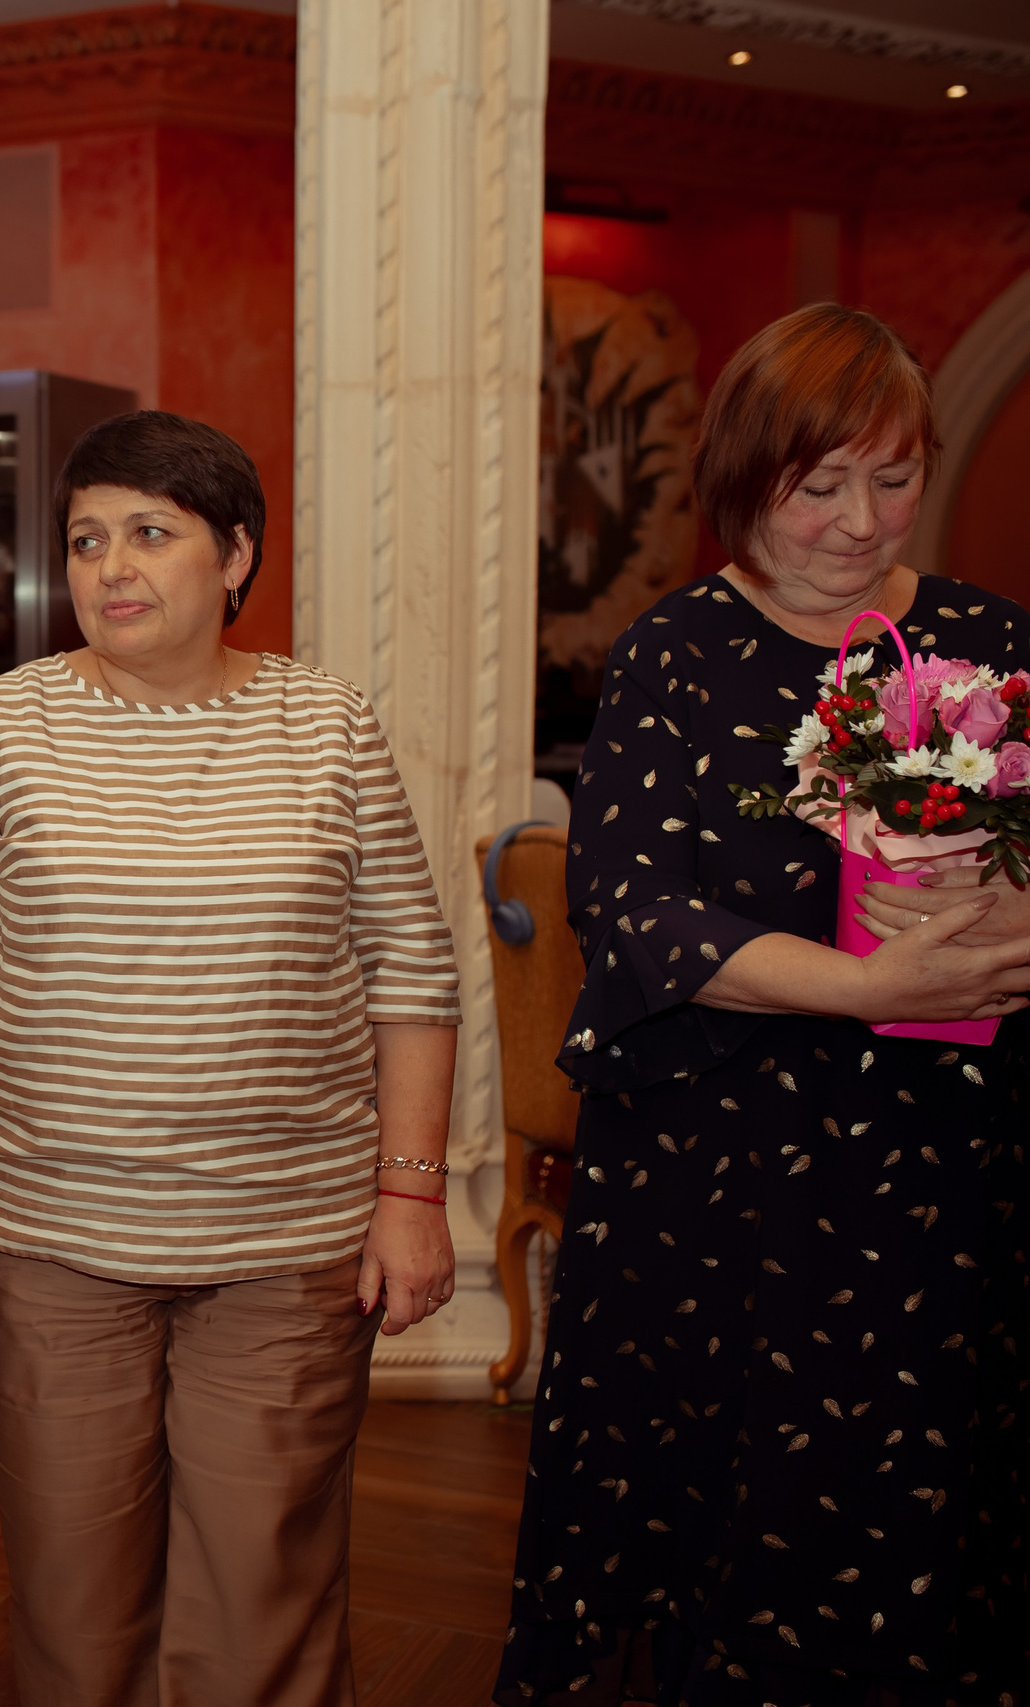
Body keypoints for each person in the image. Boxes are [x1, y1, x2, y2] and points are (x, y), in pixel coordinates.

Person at [0, 409, 463, 1707]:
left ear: (235, 554)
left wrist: (412, 1196)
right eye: (87, 540)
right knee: (79, 1614)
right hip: (54, 1243)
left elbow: (415, 979)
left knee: (265, 1608)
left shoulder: (331, 728)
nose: (112, 566)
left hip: (288, 1247)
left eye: (151, 532)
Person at [497, 305, 1030, 1702]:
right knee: (725, 1488)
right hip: (719, 1171)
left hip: (939, 1163)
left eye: (894, 478)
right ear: (747, 478)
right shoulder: (679, 654)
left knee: (914, 1473)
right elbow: (631, 907)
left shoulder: (985, 646)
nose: (862, 522)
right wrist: (868, 984)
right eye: (820, 485)